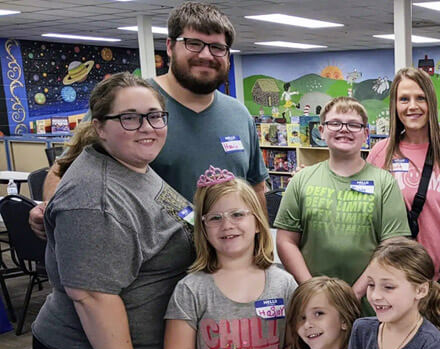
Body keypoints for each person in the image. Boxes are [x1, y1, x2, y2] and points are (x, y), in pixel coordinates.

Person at [31, 73, 194, 349]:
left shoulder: (134, 167)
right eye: (130, 118)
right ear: (100, 127)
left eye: (155, 116)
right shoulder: (96, 197)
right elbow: (91, 295)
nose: (147, 127)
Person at [30, 1, 268, 236]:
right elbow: (62, 171)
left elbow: (255, 189)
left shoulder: (239, 114)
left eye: (217, 47)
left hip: (225, 262)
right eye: (193, 44)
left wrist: (261, 245)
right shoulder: (128, 103)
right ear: (169, 46)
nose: (206, 55)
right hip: (147, 264)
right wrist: (53, 212)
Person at [164, 172, 297, 349]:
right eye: (215, 218)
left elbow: (294, 345)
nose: (227, 225)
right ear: (203, 229)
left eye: (237, 214)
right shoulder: (191, 289)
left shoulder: (284, 284)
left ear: (257, 222)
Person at [275, 97, 411, 302]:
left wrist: (354, 295)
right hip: (313, 301)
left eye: (354, 125)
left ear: (366, 134)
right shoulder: (301, 180)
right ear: (321, 131)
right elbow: (286, 241)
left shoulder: (385, 183)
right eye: (335, 123)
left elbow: (392, 245)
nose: (344, 129)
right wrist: (311, 288)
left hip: (369, 302)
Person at [367, 67, 440, 276]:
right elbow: (368, 214)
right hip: (396, 272)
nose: (412, 106)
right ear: (394, 105)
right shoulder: (380, 153)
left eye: (420, 98)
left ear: (431, 103)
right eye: (404, 99)